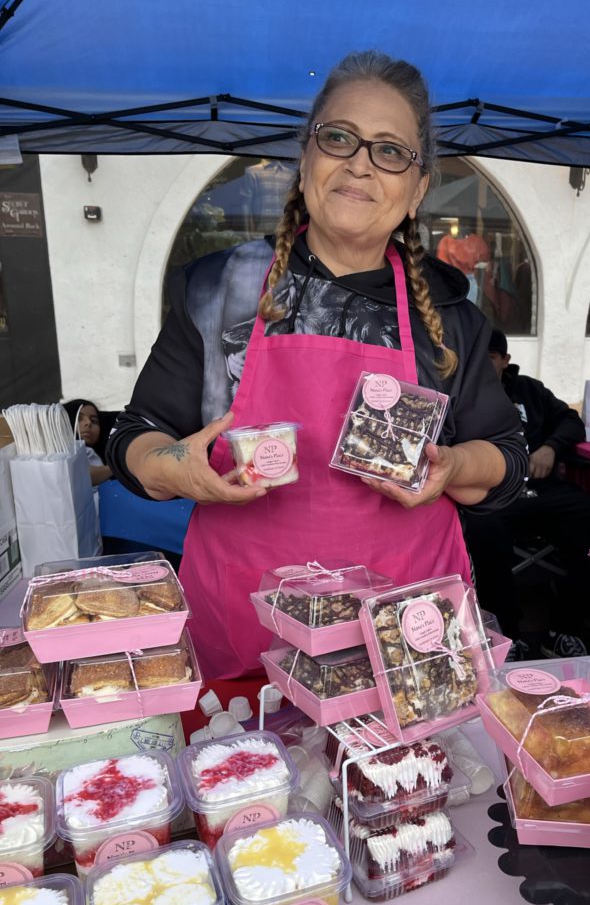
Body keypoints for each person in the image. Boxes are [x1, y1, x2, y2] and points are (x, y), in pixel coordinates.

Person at [107, 51, 528, 680]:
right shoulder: (217, 290)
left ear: (415, 192)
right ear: (305, 162)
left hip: (401, 633)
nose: (360, 162)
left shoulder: (448, 314)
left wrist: (454, 466)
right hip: (247, 613)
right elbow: (132, 432)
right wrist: (174, 467)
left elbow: (507, 454)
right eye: (338, 138)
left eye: (391, 151)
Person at [462, 330, 590, 656]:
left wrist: (550, 447)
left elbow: (571, 421)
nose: (483, 364)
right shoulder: (460, 391)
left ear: (505, 361)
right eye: (477, 357)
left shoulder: (529, 390)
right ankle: (506, 635)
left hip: (542, 487)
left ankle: (564, 630)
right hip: (489, 493)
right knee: (482, 532)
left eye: (490, 357)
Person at [62, 399, 112, 485]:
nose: (88, 423)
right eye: (79, 418)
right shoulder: (62, 451)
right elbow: (82, 475)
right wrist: (115, 468)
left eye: (94, 421)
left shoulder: (104, 454)